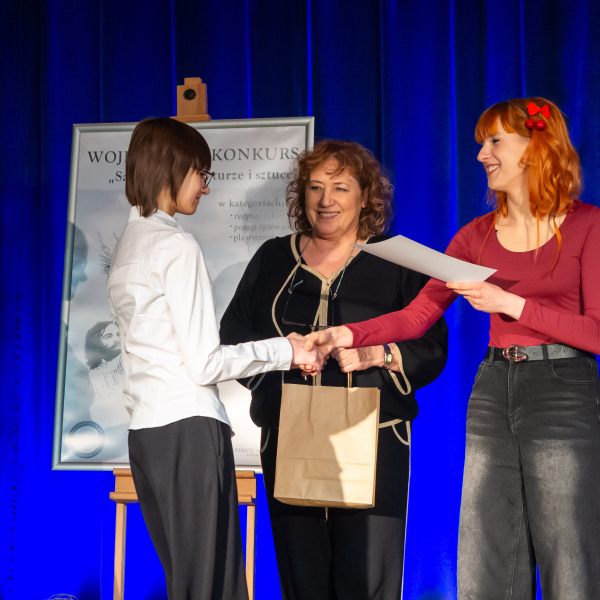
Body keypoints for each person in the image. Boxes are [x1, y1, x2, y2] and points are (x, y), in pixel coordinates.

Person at [306, 98, 600, 600]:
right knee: (487, 550)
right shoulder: (475, 236)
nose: (482, 154)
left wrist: (511, 303)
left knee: (567, 550)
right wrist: (346, 334)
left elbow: (594, 332)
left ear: (536, 147)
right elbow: (417, 315)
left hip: (563, 391)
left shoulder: (585, 225)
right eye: (481, 144)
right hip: (493, 389)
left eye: (495, 142)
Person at [220, 139, 448, 600]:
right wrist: (283, 357)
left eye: (341, 188)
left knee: (367, 579)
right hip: (290, 435)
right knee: (302, 577)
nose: (326, 200)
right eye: (315, 187)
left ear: (366, 197)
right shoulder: (273, 257)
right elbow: (234, 335)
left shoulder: (400, 261)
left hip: (375, 437)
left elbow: (431, 344)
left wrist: (378, 354)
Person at [107, 117, 324, 600]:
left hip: (145, 435)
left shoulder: (127, 245)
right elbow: (205, 363)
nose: (205, 187)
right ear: (172, 168)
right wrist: (286, 350)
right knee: (212, 584)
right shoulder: (174, 244)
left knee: (190, 581)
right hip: (188, 430)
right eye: (200, 174)